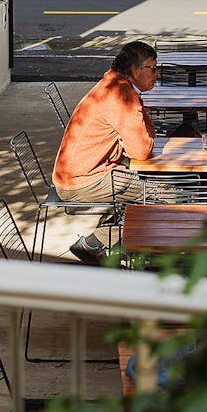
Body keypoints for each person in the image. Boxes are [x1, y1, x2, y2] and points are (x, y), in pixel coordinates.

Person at [52, 40, 158, 263]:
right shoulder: (121, 95)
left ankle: (97, 243)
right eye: (153, 68)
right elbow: (142, 150)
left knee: (146, 183)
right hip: (82, 182)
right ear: (134, 71)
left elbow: (149, 134)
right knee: (158, 192)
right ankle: (96, 243)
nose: (157, 74)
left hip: (79, 175)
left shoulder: (114, 84)